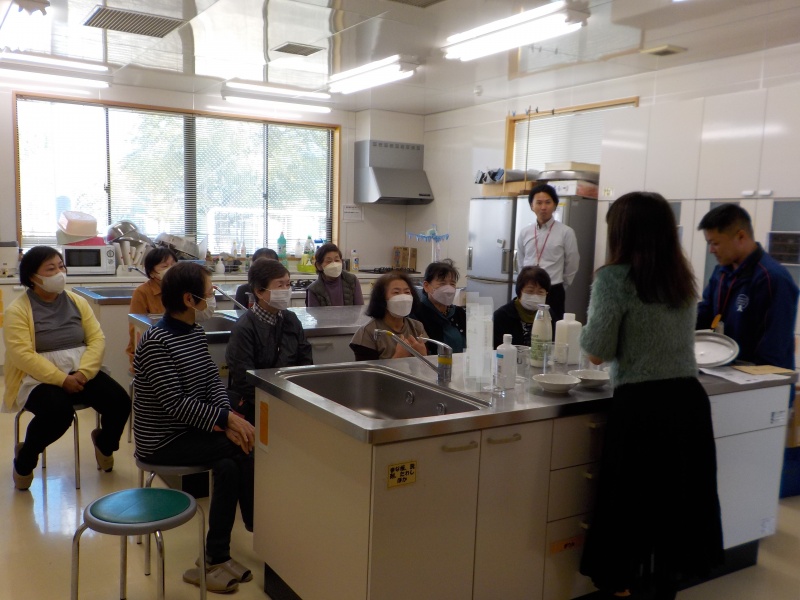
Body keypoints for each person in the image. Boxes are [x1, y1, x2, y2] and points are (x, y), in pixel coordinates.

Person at [578, 192, 723, 600]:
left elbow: (597, 350)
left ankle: (623, 587)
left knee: (630, 508)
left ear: (622, 231)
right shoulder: (681, 277)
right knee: (675, 508)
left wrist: (585, 331)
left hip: (643, 407)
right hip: (688, 403)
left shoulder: (614, 279)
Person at [133, 261, 256, 594]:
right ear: (189, 299)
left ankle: (215, 556)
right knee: (244, 447)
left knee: (230, 462)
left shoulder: (194, 332)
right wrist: (224, 421)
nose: (213, 297)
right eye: (209, 292)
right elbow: (175, 403)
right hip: (162, 440)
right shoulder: (157, 342)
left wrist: (226, 416)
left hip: (190, 430)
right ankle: (256, 525)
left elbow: (212, 381)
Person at [5, 246, 131, 491]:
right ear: (32, 276)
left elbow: (96, 339)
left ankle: (105, 444)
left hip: (81, 371)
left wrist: (84, 373)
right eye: (51, 269)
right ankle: (25, 458)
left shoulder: (77, 301)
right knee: (58, 413)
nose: (59, 273)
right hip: (38, 378)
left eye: (61, 266)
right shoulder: (17, 311)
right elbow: (22, 355)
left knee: (120, 402)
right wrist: (62, 379)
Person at [697, 203, 799, 369]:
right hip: (726, 368)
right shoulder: (721, 273)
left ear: (741, 237)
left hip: (762, 376)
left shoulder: (772, 278)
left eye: (715, 243)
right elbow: (705, 314)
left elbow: (774, 343)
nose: (711, 250)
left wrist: (756, 377)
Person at [226, 258, 313, 424]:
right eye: (280, 285)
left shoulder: (291, 319)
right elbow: (244, 379)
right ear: (259, 292)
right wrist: (274, 404)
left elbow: (305, 360)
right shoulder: (244, 328)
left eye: (288, 284)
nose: (286, 290)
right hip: (259, 406)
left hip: (293, 400)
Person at [516, 183, 579, 329]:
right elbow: (521, 260)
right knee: (524, 327)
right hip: (527, 289)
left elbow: (572, 263)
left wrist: (561, 285)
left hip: (553, 290)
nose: (543, 207)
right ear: (532, 206)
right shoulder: (525, 232)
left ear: (555, 205)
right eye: (539, 203)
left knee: (553, 330)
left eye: (548, 202)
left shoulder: (566, 232)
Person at [349, 271, 428, 361]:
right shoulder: (368, 332)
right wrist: (399, 357)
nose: (403, 297)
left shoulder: (417, 327)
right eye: (396, 292)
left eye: (407, 292)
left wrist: (424, 356)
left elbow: (428, 366)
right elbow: (367, 370)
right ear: (382, 298)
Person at [126, 246, 178, 370]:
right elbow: (136, 328)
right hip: (151, 350)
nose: (171, 270)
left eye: (173, 265)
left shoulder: (181, 289)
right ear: (152, 272)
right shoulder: (142, 292)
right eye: (164, 266)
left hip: (176, 348)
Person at [413, 259, 466, 353]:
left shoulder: (459, 313)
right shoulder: (416, 314)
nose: (448, 288)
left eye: (452, 284)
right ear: (426, 286)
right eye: (442, 283)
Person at [492, 265, 551, 348]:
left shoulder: (549, 316)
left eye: (540, 292)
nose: (535, 296)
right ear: (519, 291)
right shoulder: (502, 316)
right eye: (530, 291)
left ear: (546, 294)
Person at [306, 242, 364, 307]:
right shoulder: (313, 289)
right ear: (319, 266)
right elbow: (314, 313)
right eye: (329, 261)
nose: (334, 264)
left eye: (337, 260)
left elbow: (359, 308)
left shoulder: (352, 280)